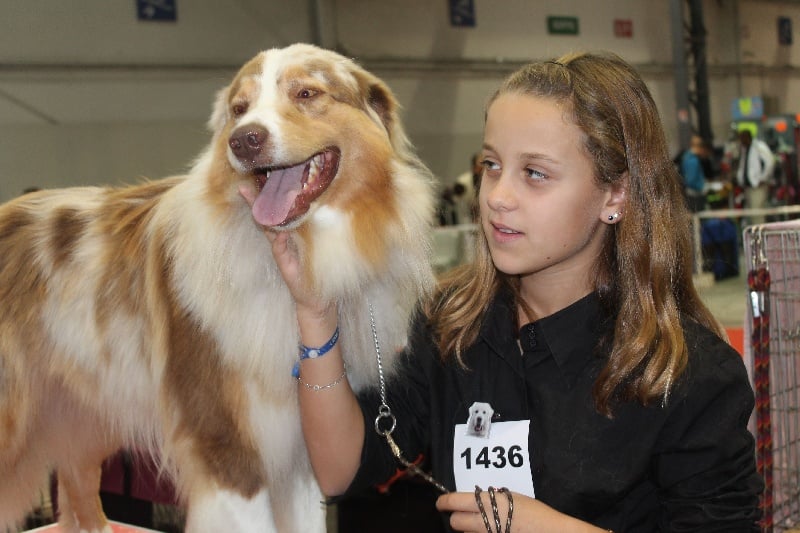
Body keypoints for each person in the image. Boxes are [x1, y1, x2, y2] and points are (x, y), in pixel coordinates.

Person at [258, 51, 763, 532]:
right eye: (492, 166)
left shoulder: (692, 377)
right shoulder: (450, 328)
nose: (498, 198)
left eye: (535, 174)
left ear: (616, 195)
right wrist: (316, 312)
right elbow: (341, 469)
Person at [736, 128, 776, 224]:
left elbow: (770, 161)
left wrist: (763, 178)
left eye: (742, 138)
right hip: (747, 187)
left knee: (757, 214)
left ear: (748, 137)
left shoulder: (759, 146)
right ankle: (753, 236)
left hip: (758, 186)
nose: (741, 141)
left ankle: (760, 237)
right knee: (751, 215)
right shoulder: (744, 149)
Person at [679, 134, 709, 212]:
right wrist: (702, 187)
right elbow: (690, 181)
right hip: (695, 196)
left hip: (690, 194)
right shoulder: (693, 160)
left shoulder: (686, 158)